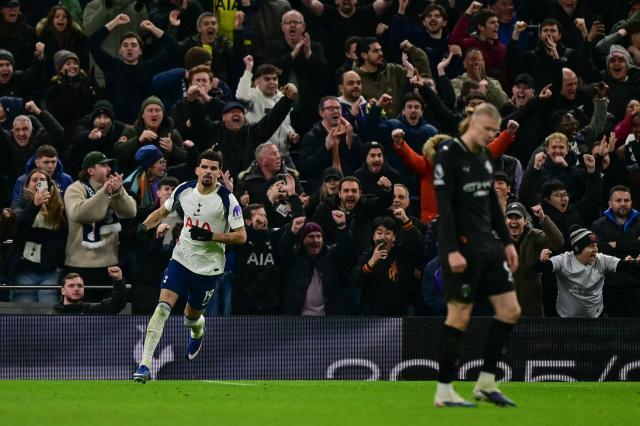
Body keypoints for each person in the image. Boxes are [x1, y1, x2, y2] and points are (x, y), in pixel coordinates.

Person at [133, 149, 246, 383]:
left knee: (190, 319)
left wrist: (211, 236)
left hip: (208, 269)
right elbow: (162, 211)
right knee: (162, 308)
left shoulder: (227, 199)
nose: (208, 172)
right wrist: (145, 226)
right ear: (197, 170)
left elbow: (241, 236)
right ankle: (144, 365)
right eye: (204, 167)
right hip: (181, 259)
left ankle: (198, 330)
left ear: (219, 173)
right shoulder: (184, 190)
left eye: (213, 168)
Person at [433, 103, 520, 407]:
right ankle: (444, 391)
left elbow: (493, 204)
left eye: (495, 132)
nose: (491, 136)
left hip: (488, 246)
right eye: (487, 130)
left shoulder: (484, 155)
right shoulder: (448, 153)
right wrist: (451, 250)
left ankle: (486, 382)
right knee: (459, 315)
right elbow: (444, 208)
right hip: (462, 248)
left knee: (510, 309)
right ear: (473, 123)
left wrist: (507, 242)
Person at [63, 151, 137, 298]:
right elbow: (80, 213)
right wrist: (103, 192)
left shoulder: (112, 189)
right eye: (103, 166)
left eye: (108, 165)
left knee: (109, 309)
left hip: (110, 263)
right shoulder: (75, 189)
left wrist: (119, 192)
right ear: (91, 170)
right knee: (81, 308)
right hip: (79, 263)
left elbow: (130, 212)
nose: (109, 169)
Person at [537, 226, 640, 318]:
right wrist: (542, 261)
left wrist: (636, 263)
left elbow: (624, 265)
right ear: (578, 249)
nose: (596, 249)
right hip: (566, 318)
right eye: (591, 246)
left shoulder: (601, 259)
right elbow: (541, 268)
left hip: (596, 316)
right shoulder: (564, 260)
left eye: (596, 245)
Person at [3, 169, 66, 303]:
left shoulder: (58, 206)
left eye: (42, 180)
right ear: (27, 184)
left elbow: (63, 234)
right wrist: (34, 205)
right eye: (34, 180)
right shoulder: (19, 202)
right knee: (24, 308)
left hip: (50, 270)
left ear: (49, 185)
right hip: (24, 270)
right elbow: (19, 226)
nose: (38, 182)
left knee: (49, 309)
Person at [504, 202, 564, 316]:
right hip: (505, 305)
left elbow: (558, 242)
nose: (513, 221)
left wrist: (543, 218)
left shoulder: (534, 236)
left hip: (531, 307)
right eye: (510, 217)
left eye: (517, 217)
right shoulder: (497, 239)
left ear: (525, 221)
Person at [50, 266, 127, 314]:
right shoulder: (53, 316)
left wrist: (118, 279)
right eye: (71, 286)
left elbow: (117, 303)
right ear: (63, 291)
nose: (76, 289)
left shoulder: (93, 310)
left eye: (80, 286)